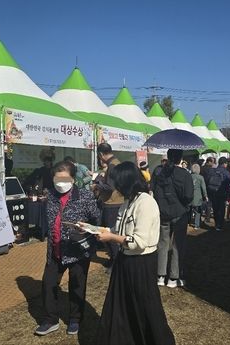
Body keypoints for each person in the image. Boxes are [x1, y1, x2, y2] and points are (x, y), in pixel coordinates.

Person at [92, 162, 175, 345]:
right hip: (124, 260)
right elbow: (119, 228)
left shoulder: (145, 203)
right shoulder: (128, 200)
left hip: (141, 263)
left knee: (146, 307)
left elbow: (138, 242)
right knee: (121, 305)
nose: (115, 188)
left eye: (118, 183)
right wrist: (96, 229)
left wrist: (111, 237)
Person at [35, 161, 100, 336]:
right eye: (57, 177)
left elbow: (96, 220)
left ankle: (75, 319)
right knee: (49, 284)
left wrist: (85, 228)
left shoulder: (84, 196)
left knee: (77, 285)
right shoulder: (50, 195)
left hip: (78, 250)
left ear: (73, 178)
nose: (60, 182)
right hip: (55, 250)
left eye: (65, 178)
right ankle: (50, 319)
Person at [153, 149, 193, 288]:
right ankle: (174, 277)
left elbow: (154, 190)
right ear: (180, 158)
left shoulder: (158, 172)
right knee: (177, 245)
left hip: (163, 212)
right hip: (179, 212)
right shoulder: (184, 174)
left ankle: (160, 275)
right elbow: (189, 196)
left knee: (162, 243)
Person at [92, 143, 123, 269]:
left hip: (112, 203)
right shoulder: (117, 162)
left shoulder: (112, 165)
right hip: (116, 201)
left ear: (100, 154)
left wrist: (97, 185)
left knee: (109, 233)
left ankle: (116, 262)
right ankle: (113, 258)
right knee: (109, 231)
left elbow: (110, 187)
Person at [205, 157, 230, 231]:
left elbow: (207, 181)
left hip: (213, 192)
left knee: (215, 208)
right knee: (221, 209)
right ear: (224, 164)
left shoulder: (212, 170)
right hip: (222, 193)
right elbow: (229, 184)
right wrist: (229, 196)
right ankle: (220, 225)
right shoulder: (226, 172)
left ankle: (216, 223)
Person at [190, 164, 208, 229]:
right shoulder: (200, 177)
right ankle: (196, 225)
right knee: (198, 212)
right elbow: (203, 188)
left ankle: (189, 222)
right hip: (198, 197)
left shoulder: (189, 176)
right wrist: (205, 196)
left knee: (190, 210)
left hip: (189, 196)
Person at [200, 157, 215, 221]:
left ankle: (199, 217)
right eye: (212, 162)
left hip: (202, 187)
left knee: (201, 202)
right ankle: (207, 217)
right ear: (209, 162)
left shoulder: (201, 168)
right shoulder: (211, 169)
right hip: (209, 187)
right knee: (209, 203)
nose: (213, 163)